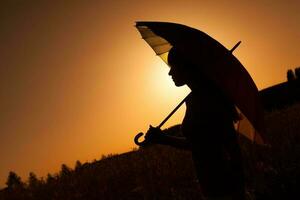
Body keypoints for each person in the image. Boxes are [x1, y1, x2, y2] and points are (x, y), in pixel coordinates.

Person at [144, 46, 246, 200]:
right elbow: (198, 143)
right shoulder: (193, 99)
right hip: (210, 187)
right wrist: (162, 138)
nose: (170, 72)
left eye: (173, 67)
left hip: (224, 186)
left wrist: (238, 192)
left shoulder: (210, 98)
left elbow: (226, 146)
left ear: (188, 67)